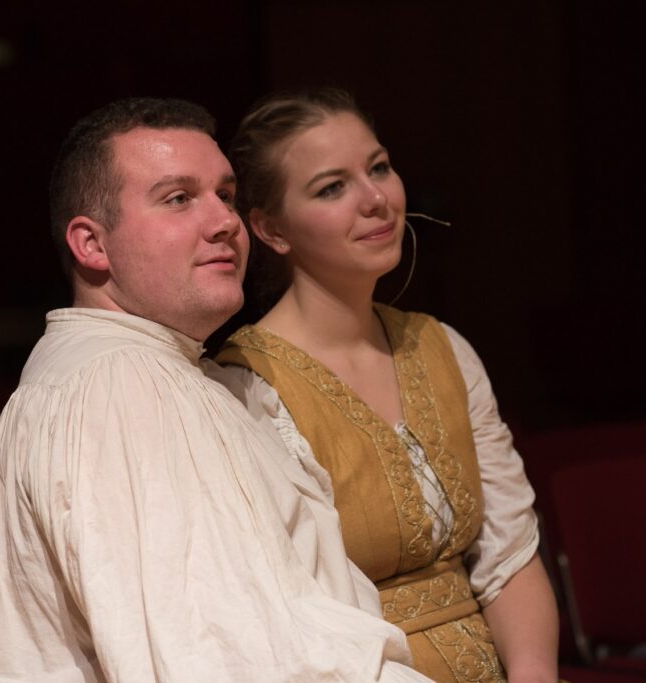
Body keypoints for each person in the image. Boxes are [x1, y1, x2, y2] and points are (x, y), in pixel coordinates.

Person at [0, 97, 434, 682]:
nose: (226, 221)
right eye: (178, 198)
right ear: (92, 245)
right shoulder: (123, 388)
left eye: (225, 194)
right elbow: (227, 664)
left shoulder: (133, 373)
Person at [215, 89, 561, 683]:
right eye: (332, 188)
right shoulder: (247, 389)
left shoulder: (440, 346)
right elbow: (291, 621)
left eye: (378, 168)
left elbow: (509, 558)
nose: (376, 199)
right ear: (272, 229)